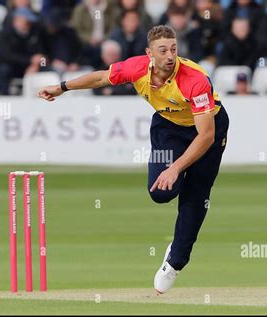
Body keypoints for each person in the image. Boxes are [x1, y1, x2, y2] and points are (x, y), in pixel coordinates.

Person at [37, 25, 230, 294]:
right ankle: (177, 178)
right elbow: (101, 79)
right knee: (160, 193)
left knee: (196, 196)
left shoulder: (194, 79)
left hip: (208, 129)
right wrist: (62, 87)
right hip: (168, 129)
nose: (170, 55)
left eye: (173, 49)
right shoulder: (137, 68)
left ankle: (175, 261)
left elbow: (206, 136)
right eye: (163, 50)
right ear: (149, 54)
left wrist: (176, 168)